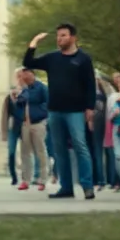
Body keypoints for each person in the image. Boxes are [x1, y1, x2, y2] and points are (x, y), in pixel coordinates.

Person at [23, 23, 97, 199]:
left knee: (80, 146)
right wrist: (34, 43)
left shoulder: (83, 59)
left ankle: (87, 186)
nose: (59, 39)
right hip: (55, 110)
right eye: (58, 36)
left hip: (76, 111)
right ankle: (66, 188)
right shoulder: (52, 58)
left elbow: (90, 85)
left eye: (63, 35)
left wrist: (90, 108)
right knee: (59, 149)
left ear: (73, 38)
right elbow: (28, 62)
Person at [14, 66, 49, 191]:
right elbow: (18, 104)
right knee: (24, 153)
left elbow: (48, 103)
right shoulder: (23, 89)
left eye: (27, 73)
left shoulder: (41, 87)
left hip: (38, 123)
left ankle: (43, 179)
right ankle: (25, 180)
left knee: (40, 151)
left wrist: (40, 113)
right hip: (25, 124)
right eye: (23, 74)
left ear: (32, 74)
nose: (25, 76)